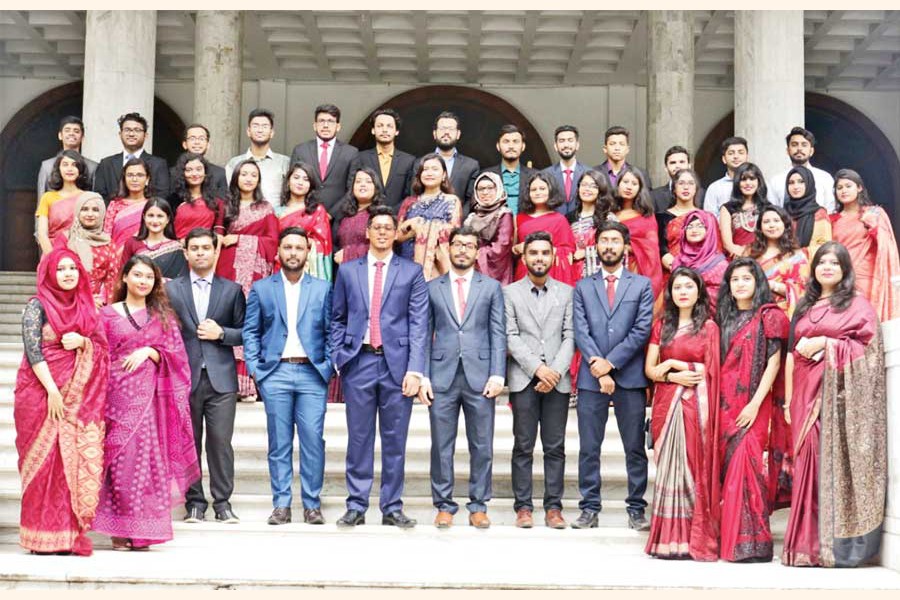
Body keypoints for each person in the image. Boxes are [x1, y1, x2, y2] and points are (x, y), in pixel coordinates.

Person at [782, 242, 886, 567]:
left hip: (836, 400)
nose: (827, 267)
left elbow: (868, 350)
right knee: (805, 466)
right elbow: (791, 353)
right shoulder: (803, 306)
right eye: (822, 261)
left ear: (844, 270)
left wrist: (827, 343)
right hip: (802, 394)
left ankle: (831, 546)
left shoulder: (857, 305)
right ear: (813, 269)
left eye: (834, 262)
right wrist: (787, 400)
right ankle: (804, 545)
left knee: (825, 463)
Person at [330, 206, 428, 529]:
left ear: (395, 233)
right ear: (367, 232)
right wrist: (338, 356)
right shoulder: (348, 271)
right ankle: (356, 505)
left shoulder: (411, 272)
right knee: (358, 438)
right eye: (378, 227)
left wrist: (415, 370)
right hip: (358, 361)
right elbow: (338, 318)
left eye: (389, 227)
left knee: (394, 439)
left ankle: (392, 506)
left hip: (396, 366)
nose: (383, 232)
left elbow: (419, 325)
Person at [93, 255, 199, 551]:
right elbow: (98, 354)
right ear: (125, 277)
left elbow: (178, 358)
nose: (143, 281)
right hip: (114, 399)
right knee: (119, 464)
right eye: (137, 275)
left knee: (146, 465)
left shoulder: (162, 317)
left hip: (151, 404)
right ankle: (118, 528)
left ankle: (142, 532)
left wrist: (152, 352)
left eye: (149, 277)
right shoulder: (107, 315)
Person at [14, 248, 109, 555]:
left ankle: (67, 536)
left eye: (73, 268)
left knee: (71, 463)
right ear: (49, 274)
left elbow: (102, 349)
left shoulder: (87, 307)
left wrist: (83, 342)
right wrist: (53, 391)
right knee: (43, 464)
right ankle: (38, 536)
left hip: (78, 399)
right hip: (39, 393)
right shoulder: (36, 306)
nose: (68, 274)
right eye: (61, 269)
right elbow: (33, 350)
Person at [418, 226, 506, 529]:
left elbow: (498, 333)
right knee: (441, 444)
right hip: (441, 376)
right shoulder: (432, 287)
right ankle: (444, 504)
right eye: (457, 245)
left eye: (469, 245)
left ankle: (478, 505)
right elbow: (421, 334)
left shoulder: (491, 287)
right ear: (449, 248)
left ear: (477, 250)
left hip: (481, 377)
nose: (462, 250)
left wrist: (498, 373)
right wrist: (423, 376)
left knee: (482, 444)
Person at [244, 227, 333, 525]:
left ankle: (312, 504)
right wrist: (257, 370)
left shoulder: (322, 288)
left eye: (299, 247)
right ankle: (281, 504)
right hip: (276, 373)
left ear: (308, 252)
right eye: (288, 247)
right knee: (279, 442)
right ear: (278, 252)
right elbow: (251, 332)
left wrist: (329, 364)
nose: (293, 252)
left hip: (311, 373)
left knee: (312, 440)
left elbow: (333, 330)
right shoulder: (262, 288)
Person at [572, 221, 654, 531]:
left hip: (630, 377)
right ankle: (589, 508)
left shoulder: (641, 285)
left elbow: (641, 330)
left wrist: (611, 365)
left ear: (625, 247)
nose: (609, 245)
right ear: (596, 246)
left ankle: (636, 509)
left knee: (633, 447)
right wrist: (598, 365)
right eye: (604, 240)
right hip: (591, 379)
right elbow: (581, 329)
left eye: (615, 240)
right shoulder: (583, 286)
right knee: (589, 447)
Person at [166, 228, 246, 525]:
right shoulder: (172, 290)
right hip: (184, 377)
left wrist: (222, 333)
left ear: (216, 251)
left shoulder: (232, 290)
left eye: (205, 248)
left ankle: (223, 503)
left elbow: (246, 332)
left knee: (220, 442)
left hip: (221, 379)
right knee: (188, 442)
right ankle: (195, 503)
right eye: (194, 248)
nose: (200, 252)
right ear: (185, 253)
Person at [716, 258, 791, 562]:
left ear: (757, 281)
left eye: (746, 278)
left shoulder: (769, 316)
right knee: (729, 470)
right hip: (724, 404)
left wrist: (754, 404)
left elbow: (774, 363)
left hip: (754, 406)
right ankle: (730, 542)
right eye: (734, 279)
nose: (740, 284)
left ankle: (754, 544)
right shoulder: (723, 318)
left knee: (746, 469)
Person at [643, 267, 720, 560]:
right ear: (670, 293)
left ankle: (691, 538)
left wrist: (679, 366)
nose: (683, 292)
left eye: (689, 286)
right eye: (677, 287)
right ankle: (666, 540)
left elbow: (713, 370)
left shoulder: (709, 328)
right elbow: (651, 369)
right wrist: (671, 374)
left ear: (699, 291)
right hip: (667, 405)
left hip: (694, 408)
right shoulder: (661, 326)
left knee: (691, 467)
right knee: (668, 468)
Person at [503, 232, 575, 529]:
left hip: (557, 380)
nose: (539, 258)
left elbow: (570, 335)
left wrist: (554, 371)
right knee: (523, 444)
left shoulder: (567, 292)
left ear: (553, 256)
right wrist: (537, 369)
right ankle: (523, 507)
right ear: (525, 256)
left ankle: (553, 507)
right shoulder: (509, 293)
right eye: (534, 253)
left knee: (555, 446)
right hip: (524, 378)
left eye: (545, 253)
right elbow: (510, 336)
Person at [217, 159, 280, 401]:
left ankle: (248, 385)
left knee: (251, 321)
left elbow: (272, 242)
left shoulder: (266, 209)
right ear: (236, 177)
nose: (249, 178)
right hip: (226, 270)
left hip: (254, 273)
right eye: (244, 174)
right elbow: (217, 237)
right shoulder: (224, 206)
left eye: (253, 174)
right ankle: (226, 384)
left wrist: (241, 240)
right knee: (227, 318)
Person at [829, 169, 900, 322]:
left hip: (866, 277)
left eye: (848, 186)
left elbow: (887, 246)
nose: (843, 191)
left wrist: (873, 226)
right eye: (839, 188)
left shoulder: (874, 213)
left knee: (866, 319)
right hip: (840, 277)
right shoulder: (832, 219)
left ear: (859, 188)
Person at [397, 153, 462, 281]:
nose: (429, 173)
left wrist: (430, 227)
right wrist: (413, 227)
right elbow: (397, 236)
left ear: (444, 175)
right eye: (425, 169)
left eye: (435, 169)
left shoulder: (452, 201)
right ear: (420, 175)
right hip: (406, 263)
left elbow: (454, 235)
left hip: (437, 266)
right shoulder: (409, 202)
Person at [290, 104, 359, 217]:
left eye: (330, 121)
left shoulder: (351, 153)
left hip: (338, 216)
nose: (326, 125)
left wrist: (331, 214)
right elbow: (293, 185)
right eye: (321, 121)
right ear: (315, 125)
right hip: (305, 214)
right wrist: (309, 211)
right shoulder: (300, 150)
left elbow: (352, 189)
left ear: (338, 126)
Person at [512, 172, 577, 285]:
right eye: (534, 190)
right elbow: (511, 251)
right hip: (523, 273)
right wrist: (517, 248)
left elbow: (568, 253)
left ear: (550, 191)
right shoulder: (518, 218)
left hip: (550, 274)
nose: (538, 192)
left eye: (542, 188)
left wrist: (550, 250)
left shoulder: (559, 220)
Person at [749, 205, 809, 319]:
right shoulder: (749, 252)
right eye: (766, 221)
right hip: (753, 314)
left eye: (776, 220)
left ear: (785, 224)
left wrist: (772, 286)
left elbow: (803, 291)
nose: (771, 225)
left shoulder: (796, 256)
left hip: (783, 316)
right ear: (760, 227)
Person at [93, 112, 169, 202]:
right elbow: (99, 196)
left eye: (137, 130)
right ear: (120, 134)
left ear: (146, 135)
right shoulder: (106, 164)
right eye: (127, 130)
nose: (131, 134)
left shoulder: (159, 164)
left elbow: (162, 196)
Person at [58, 192, 117, 307]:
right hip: (69, 301)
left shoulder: (108, 242)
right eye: (84, 209)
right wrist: (85, 299)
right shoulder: (66, 238)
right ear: (77, 211)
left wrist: (105, 305)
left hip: (100, 304)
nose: (90, 214)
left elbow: (112, 280)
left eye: (95, 210)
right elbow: (57, 274)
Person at [348, 108, 415, 210]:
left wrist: (391, 213)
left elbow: (410, 195)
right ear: (373, 130)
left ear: (396, 131)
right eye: (380, 126)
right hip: (367, 217)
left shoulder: (408, 161)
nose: (384, 130)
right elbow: (352, 189)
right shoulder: (360, 157)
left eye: (389, 126)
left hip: (397, 217)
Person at [612, 166, 664, 298]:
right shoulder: (609, 213)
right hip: (610, 268)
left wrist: (628, 247)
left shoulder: (646, 216)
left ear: (640, 189)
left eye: (634, 184)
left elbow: (651, 248)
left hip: (637, 269)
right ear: (618, 184)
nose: (629, 187)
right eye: (625, 182)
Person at [276, 162, 333, 281]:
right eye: (296, 178)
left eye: (305, 179)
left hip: (308, 268)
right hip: (280, 265)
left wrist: (305, 243)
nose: (300, 182)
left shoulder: (317, 211)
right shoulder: (277, 212)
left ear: (310, 185)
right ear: (288, 181)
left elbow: (323, 243)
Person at [417, 111, 479, 214]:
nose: (446, 132)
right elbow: (415, 196)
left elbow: (471, 200)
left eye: (450, 129)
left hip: (458, 225)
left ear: (458, 134)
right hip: (424, 223)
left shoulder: (471, 165)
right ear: (434, 133)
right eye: (442, 129)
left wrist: (457, 220)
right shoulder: (419, 163)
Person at [225, 108, 290, 204]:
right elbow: (230, 195)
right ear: (248, 131)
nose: (260, 130)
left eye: (264, 126)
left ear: (271, 133)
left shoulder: (284, 162)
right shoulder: (234, 163)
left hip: (276, 216)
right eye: (255, 126)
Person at [671, 210, 728, 314]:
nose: (694, 230)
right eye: (690, 226)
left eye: (700, 226)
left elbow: (724, 298)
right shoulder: (677, 261)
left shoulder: (720, 264)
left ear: (709, 230)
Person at [767, 126, 835, 213]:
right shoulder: (776, 181)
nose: (799, 148)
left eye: (804, 145)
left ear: (811, 151)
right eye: (794, 145)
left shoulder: (824, 178)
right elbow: (773, 211)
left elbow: (830, 210)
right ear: (787, 150)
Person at [463, 171, 515, 285]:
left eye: (490, 188)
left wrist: (474, 254)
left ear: (498, 189)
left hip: (496, 270)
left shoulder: (504, 214)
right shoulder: (472, 217)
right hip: (471, 268)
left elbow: (502, 246)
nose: (485, 192)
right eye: (481, 189)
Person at [36, 150, 92, 255]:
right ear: (59, 169)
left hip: (81, 254)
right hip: (52, 253)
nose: (69, 169)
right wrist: (53, 259)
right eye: (65, 165)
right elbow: (42, 234)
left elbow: (92, 232)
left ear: (80, 170)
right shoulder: (47, 197)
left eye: (74, 165)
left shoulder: (87, 198)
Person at [122, 197, 189, 280]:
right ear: (144, 217)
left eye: (160, 216)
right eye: (151, 215)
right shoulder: (132, 243)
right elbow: (124, 275)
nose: (155, 220)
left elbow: (181, 281)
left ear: (167, 219)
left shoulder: (176, 248)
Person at [334, 167, 387, 266]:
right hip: (343, 270)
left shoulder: (381, 215)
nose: (362, 184)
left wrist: (348, 254)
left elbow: (383, 246)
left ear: (376, 187)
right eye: (358, 181)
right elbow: (334, 243)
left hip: (369, 269)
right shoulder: (344, 213)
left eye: (368, 181)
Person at [481, 124, 538, 215]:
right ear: (498, 146)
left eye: (515, 141)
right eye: (506, 141)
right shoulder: (486, 175)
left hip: (526, 226)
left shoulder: (536, 176)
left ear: (523, 146)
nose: (511, 146)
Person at [36, 116, 98, 199]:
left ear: (82, 137)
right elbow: (41, 200)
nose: (71, 133)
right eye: (67, 130)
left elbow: (96, 200)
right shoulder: (47, 166)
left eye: (76, 131)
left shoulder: (92, 167)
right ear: (60, 135)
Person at [169, 123, 228, 208]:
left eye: (201, 138)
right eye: (192, 138)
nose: (197, 142)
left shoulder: (220, 173)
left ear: (208, 145)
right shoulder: (172, 173)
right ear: (184, 144)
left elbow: (222, 205)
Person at [171, 152, 228, 240]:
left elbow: (219, 231)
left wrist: (215, 252)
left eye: (199, 169)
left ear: (205, 172)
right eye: (189, 170)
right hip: (177, 249)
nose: (194, 174)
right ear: (183, 174)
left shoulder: (215, 200)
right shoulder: (174, 200)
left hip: (206, 249)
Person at [569, 169, 613, 280]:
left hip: (600, 275)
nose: (587, 189)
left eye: (593, 186)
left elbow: (614, 248)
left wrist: (585, 253)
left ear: (600, 191)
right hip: (571, 274)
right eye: (584, 185)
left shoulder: (608, 218)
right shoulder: (569, 218)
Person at [657, 168, 704, 273]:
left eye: (691, 183)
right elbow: (661, 249)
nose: (686, 187)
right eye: (681, 183)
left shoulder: (706, 217)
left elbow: (713, 248)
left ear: (696, 188)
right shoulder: (661, 217)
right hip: (672, 272)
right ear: (674, 188)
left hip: (702, 272)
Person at [719, 162, 769, 259]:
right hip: (738, 259)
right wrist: (744, 255)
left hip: (764, 258)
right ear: (737, 183)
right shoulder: (728, 209)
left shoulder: (767, 208)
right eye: (743, 179)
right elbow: (727, 244)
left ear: (759, 182)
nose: (748, 183)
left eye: (752, 179)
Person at [103, 158, 151, 251]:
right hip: (116, 258)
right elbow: (106, 236)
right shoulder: (115, 205)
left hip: (145, 258)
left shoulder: (152, 206)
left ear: (147, 179)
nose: (134, 179)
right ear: (124, 179)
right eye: (130, 175)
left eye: (140, 175)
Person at [782, 165, 831, 258]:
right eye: (791, 183)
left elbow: (823, 246)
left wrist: (797, 255)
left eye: (801, 182)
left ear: (809, 184)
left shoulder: (819, 213)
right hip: (783, 267)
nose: (796, 187)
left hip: (808, 266)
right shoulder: (782, 213)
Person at [541, 125, 585, 215]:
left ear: (577, 145)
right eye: (562, 141)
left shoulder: (588, 173)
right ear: (556, 146)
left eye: (570, 140)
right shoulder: (545, 175)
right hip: (553, 225)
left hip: (580, 225)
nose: (566, 145)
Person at [650, 145, 705, 213]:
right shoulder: (654, 196)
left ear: (689, 166)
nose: (677, 166)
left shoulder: (703, 194)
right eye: (673, 163)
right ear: (666, 168)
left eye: (682, 162)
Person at [594, 126, 651, 190]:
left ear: (627, 149)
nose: (617, 148)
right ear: (605, 149)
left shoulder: (641, 174)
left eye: (621, 144)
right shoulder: (594, 173)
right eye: (612, 144)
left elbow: (646, 198)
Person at [703, 136, 749, 215]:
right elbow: (710, 219)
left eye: (740, 153)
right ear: (724, 159)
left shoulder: (757, 184)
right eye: (731, 153)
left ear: (747, 157)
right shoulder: (714, 188)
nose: (736, 156)